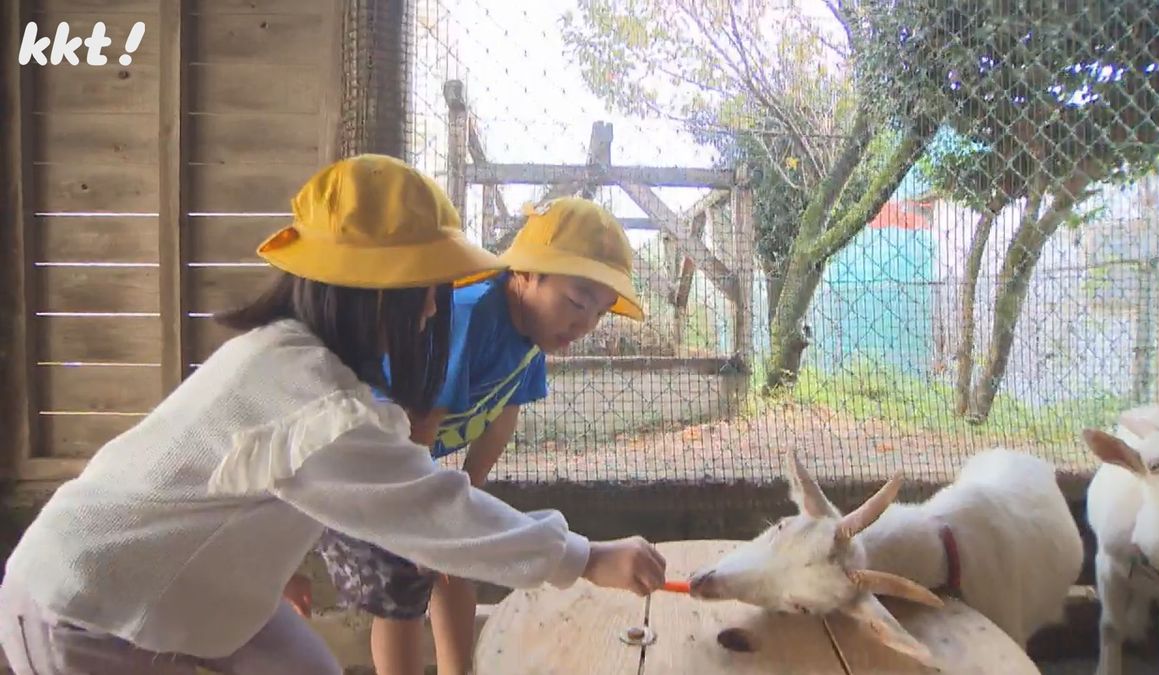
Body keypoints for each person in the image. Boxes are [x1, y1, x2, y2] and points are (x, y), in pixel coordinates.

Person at [0, 154, 667, 675]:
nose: (435, 311)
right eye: (424, 295)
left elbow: (228, 487)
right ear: (373, 295)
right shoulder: (317, 402)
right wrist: (585, 556)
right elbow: (434, 511)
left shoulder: (289, 356)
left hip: (178, 585)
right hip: (87, 607)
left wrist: (268, 564)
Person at [286, 197, 647, 675]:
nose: (584, 325)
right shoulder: (474, 313)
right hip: (364, 461)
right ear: (525, 273)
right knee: (403, 583)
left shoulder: (535, 338)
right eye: (577, 301)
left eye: (600, 312)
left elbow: (504, 416)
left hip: (408, 462)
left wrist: (466, 497)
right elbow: (422, 418)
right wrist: (420, 519)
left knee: (461, 560)